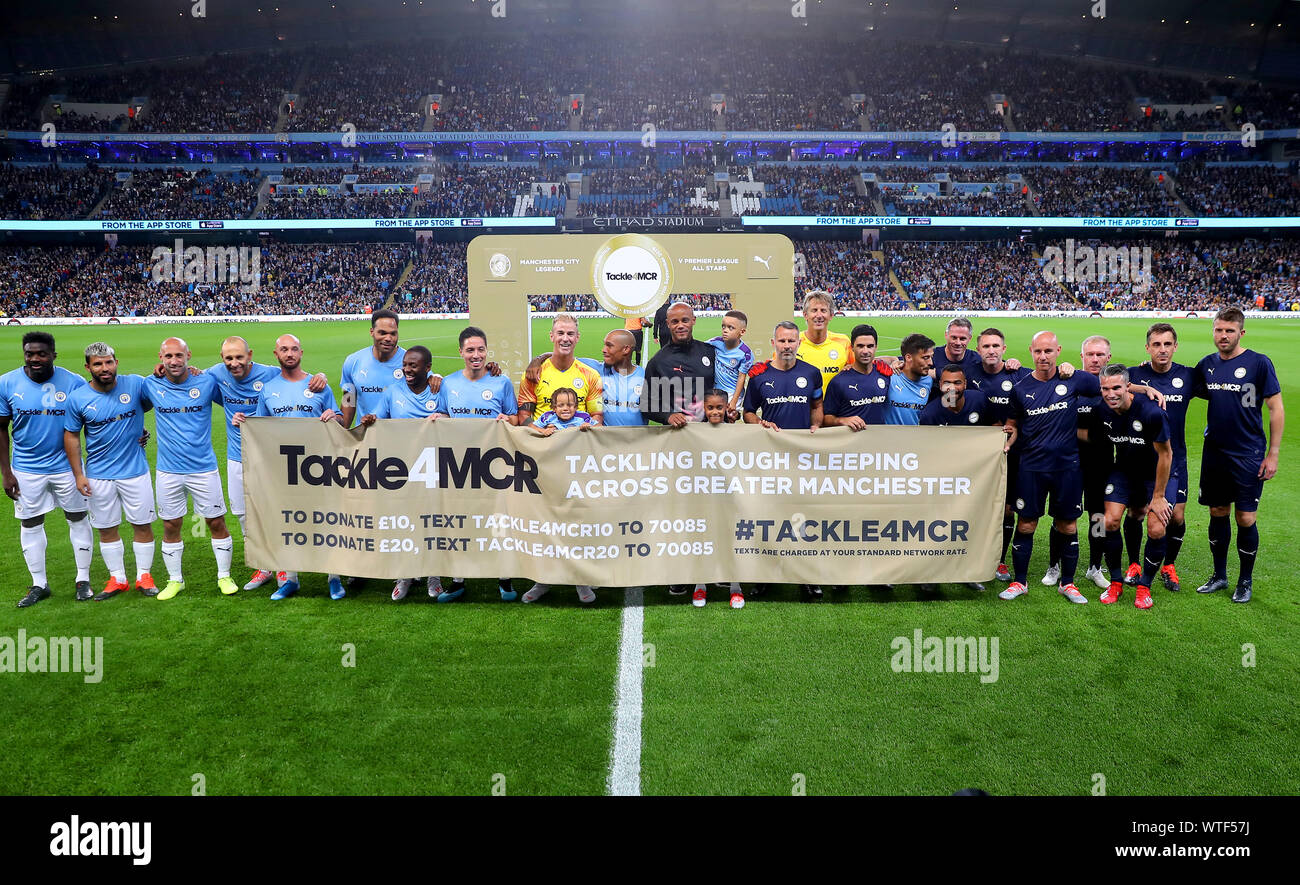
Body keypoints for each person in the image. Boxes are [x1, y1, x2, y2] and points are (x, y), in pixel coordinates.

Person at [1001, 331, 1162, 605]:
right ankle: (1038, 573)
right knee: (1033, 522)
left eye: (1048, 351)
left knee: (1088, 519)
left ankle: (1088, 570)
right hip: (1040, 465)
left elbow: (1114, 386)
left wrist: (1143, 389)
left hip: (1086, 466)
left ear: (1058, 351)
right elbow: (1013, 422)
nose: (1043, 356)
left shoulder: (1081, 381)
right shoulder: (1033, 386)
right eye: (1038, 351)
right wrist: (1009, 435)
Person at [203, 336, 328, 591]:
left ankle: (282, 567)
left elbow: (297, 375)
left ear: (250, 355)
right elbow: (188, 375)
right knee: (243, 514)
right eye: (229, 358)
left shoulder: (271, 374)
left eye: (239, 357)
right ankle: (263, 567)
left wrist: (321, 376)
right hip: (238, 456)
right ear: (222, 359)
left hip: (271, 456)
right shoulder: (215, 375)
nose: (235, 363)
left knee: (274, 512)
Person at [232, 334, 344, 600]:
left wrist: (334, 416)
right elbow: (262, 427)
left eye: (294, 349)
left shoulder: (318, 385)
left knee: (327, 520)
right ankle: (290, 579)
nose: (290, 353)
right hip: (284, 468)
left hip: (318, 466)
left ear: (301, 353)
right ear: (276, 354)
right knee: (289, 522)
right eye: (284, 349)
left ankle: (334, 578)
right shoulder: (268, 389)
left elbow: (339, 420)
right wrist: (243, 421)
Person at [1190, 307, 1284, 603]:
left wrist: (1274, 453)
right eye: (1219, 330)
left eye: (1229, 331)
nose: (1223, 336)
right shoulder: (1207, 365)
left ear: (1241, 333)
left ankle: (1245, 581)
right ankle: (1219, 575)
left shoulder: (1258, 363)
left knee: (1245, 517)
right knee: (1217, 512)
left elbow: (1275, 408)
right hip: (1215, 452)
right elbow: (1178, 386)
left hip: (1248, 453)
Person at [0, 332, 95, 607]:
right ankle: (39, 584)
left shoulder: (74, 382)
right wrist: (6, 472)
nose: (35, 359)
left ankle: (83, 580)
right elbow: (1, 429)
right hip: (26, 469)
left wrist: (135, 432)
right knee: (30, 522)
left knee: (77, 517)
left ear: (54, 354)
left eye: (41, 353)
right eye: (30, 353)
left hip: (67, 467)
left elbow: (95, 416)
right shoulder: (6, 383)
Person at [62, 343, 158, 601]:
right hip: (98, 474)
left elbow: (155, 397)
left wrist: (141, 431)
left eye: (108, 362)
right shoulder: (78, 398)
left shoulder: (136, 384)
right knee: (106, 528)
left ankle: (144, 576)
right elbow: (71, 435)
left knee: (142, 524)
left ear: (116, 362)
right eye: (97, 364)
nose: (104, 368)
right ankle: (118, 578)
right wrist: (79, 474)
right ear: (88, 367)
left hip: (135, 471)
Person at [143, 337, 235, 600]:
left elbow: (234, 398)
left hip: (203, 468)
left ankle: (224, 576)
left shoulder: (206, 382)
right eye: (168, 356)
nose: (174, 361)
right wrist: (139, 431)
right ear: (160, 358)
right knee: (171, 524)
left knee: (216, 521)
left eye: (179, 356)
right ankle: (175, 580)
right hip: (168, 470)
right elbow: (128, 407)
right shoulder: (150, 384)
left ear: (189, 356)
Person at [434, 328, 521, 603]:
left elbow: (516, 418)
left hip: (494, 466)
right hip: (458, 466)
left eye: (480, 349)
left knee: (498, 520)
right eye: (470, 350)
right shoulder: (447, 384)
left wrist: (509, 421)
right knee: (460, 521)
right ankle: (458, 579)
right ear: (460, 352)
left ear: (487, 351)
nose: (476, 355)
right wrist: (438, 417)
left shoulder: (501, 382)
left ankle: (504, 578)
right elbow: (442, 415)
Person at [744, 321, 824, 601]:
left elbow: (817, 406)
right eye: (782, 341)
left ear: (798, 343)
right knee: (769, 517)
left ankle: (807, 577)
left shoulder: (811, 374)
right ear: (773, 343)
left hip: (804, 459)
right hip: (772, 459)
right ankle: (765, 577)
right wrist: (761, 423)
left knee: (803, 518)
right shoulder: (759, 375)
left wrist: (815, 429)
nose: (787, 346)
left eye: (792, 341)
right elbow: (748, 412)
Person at [1086, 363, 1173, 610]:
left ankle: (1144, 586)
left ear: (1127, 386)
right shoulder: (1100, 410)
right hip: (1123, 470)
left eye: (1116, 387)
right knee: (1108, 522)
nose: (1110, 393)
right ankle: (1115, 581)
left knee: (1156, 529)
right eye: (1105, 389)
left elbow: (1166, 455)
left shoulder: (1151, 412)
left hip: (1156, 474)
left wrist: (1157, 496)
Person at [920, 365, 1013, 593]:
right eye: (947, 383)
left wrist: (1002, 436)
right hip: (941, 479)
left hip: (974, 478)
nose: (952, 388)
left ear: (966, 384)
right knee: (938, 525)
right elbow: (924, 451)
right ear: (939, 385)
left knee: (971, 523)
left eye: (957, 383)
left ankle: (969, 572)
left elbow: (996, 428)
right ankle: (930, 575)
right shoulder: (930, 414)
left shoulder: (980, 401)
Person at [1043, 335, 1114, 592]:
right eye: (1090, 355)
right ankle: (1054, 565)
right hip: (1068, 464)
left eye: (1100, 355)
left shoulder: (1113, 389)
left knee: (1098, 517)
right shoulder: (1069, 383)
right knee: (1062, 516)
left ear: (1109, 358)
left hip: (1101, 465)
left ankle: (1095, 566)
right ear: (1081, 357)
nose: (1095, 359)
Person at [1128, 323, 1195, 592]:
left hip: (1174, 459)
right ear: (1147, 348)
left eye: (1167, 344)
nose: (1162, 350)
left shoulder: (1189, 376)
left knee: (1176, 516)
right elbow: (1108, 383)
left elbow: (1220, 390)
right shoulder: (1135, 374)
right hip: (1139, 460)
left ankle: (1169, 565)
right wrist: (1142, 389)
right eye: (1156, 345)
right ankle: (1134, 564)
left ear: (1175, 346)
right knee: (1135, 513)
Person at [522, 387, 596, 605]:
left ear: (577, 406)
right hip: (550, 483)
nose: (566, 409)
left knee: (576, 531)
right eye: (562, 405)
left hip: (577, 484)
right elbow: (530, 428)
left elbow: (599, 429)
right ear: (554, 407)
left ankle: (580, 579)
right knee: (547, 530)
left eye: (571, 404)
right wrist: (542, 432)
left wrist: (588, 428)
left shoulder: (583, 418)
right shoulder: (547, 418)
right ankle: (543, 581)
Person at [966, 328, 1030, 583]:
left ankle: (1000, 560)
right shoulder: (968, 374)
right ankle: (970, 556)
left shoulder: (1020, 374)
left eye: (995, 346)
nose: (991, 350)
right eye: (985, 347)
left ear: (1004, 349)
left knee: (1007, 509)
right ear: (978, 351)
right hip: (977, 456)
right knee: (975, 507)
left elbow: (1054, 377)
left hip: (1013, 453)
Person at [691, 389, 745, 610]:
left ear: (727, 408)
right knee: (702, 539)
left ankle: (735, 588)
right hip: (703, 497)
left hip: (728, 497)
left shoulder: (735, 432)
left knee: (730, 540)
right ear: (703, 409)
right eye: (710, 408)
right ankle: (699, 585)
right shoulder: (694, 432)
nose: (715, 412)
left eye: (719, 407)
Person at [518, 314, 603, 426]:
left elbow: (597, 415)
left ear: (577, 337)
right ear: (552, 336)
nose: (565, 338)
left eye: (570, 334)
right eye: (560, 333)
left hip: (579, 439)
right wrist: (540, 432)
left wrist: (588, 428)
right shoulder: (533, 374)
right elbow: (524, 415)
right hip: (544, 440)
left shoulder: (591, 375)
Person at [641, 301, 715, 428]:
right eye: (675, 321)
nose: (680, 325)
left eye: (685, 320)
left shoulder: (709, 351)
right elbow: (646, 404)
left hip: (709, 432)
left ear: (693, 320)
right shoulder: (658, 362)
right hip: (678, 436)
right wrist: (668, 415)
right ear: (668, 324)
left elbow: (721, 389)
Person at [340, 308, 404, 430]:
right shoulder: (353, 361)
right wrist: (343, 435)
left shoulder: (410, 362)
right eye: (383, 333)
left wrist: (435, 378)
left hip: (398, 436)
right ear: (372, 332)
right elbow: (349, 401)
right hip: (365, 436)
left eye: (393, 333)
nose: (388, 338)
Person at [822, 324, 891, 430]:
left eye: (870, 346)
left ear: (876, 347)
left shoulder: (885, 374)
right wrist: (842, 420)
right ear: (852, 348)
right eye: (860, 346)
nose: (865, 351)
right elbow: (826, 419)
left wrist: (896, 362)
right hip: (851, 444)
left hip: (879, 442)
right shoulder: (839, 381)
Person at [707, 310, 753, 420]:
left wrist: (734, 401)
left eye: (730, 328)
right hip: (715, 390)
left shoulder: (745, 353)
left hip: (732, 392)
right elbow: (698, 348)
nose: (725, 331)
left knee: (729, 418)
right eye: (723, 327)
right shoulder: (715, 342)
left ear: (742, 332)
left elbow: (742, 378)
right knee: (713, 420)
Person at [795, 290, 851, 379]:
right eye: (814, 310)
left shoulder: (844, 342)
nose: (819, 315)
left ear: (831, 315)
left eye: (823, 310)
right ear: (805, 315)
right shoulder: (793, 342)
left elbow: (856, 370)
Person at [884, 333, 934, 425]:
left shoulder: (928, 381)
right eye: (925, 358)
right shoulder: (890, 377)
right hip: (888, 437)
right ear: (908, 357)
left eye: (931, 357)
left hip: (913, 437)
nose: (930, 362)